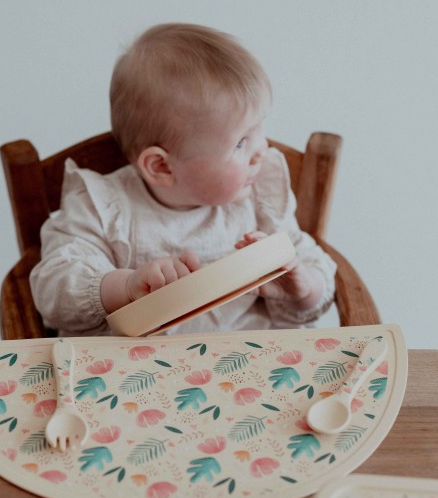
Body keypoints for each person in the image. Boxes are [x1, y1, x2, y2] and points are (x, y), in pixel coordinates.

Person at [30, 23, 337, 336]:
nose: (263, 149)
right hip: (135, 375)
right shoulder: (102, 207)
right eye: (241, 142)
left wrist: (301, 286)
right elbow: (54, 288)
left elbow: (314, 267)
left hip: (250, 366)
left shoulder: (259, 196)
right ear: (162, 167)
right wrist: (126, 287)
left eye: (259, 127)